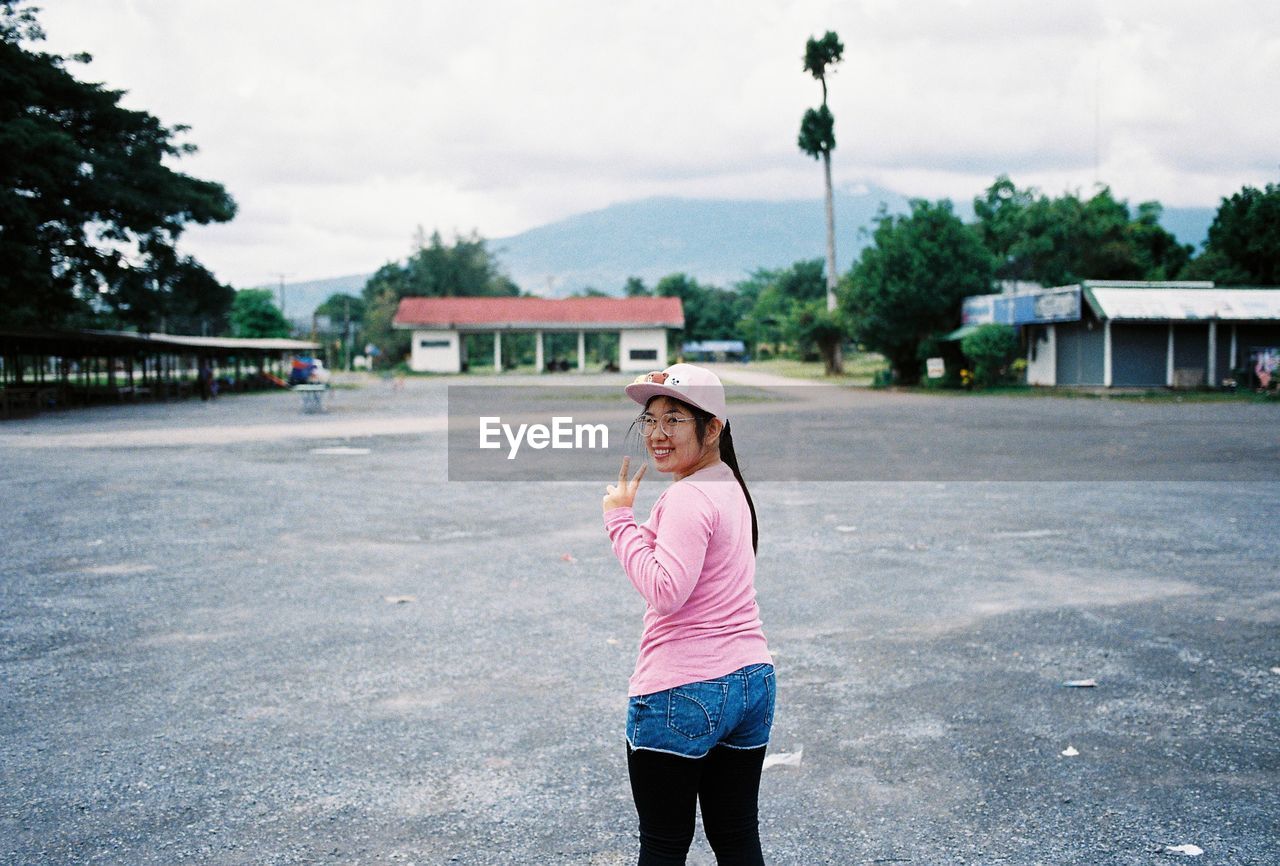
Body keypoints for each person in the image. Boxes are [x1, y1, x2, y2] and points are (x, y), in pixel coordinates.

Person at [602, 363, 774, 865]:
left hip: (682, 689)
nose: (657, 434)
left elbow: (665, 591)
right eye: (650, 420)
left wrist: (619, 521)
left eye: (674, 419)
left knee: (664, 845)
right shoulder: (728, 485)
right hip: (751, 682)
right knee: (737, 835)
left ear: (713, 427)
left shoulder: (687, 496)